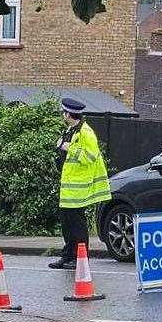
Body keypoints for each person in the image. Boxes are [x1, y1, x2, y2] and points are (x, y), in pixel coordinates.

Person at [49, 98, 111, 270]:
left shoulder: (86, 132)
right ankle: (67, 256)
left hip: (79, 187)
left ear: (69, 114)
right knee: (67, 224)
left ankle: (80, 258)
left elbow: (90, 157)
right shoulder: (71, 130)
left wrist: (69, 148)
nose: (62, 115)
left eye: (64, 112)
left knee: (77, 225)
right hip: (69, 186)